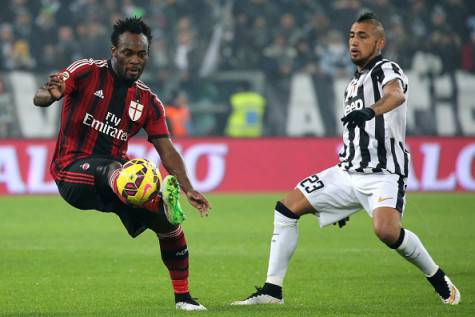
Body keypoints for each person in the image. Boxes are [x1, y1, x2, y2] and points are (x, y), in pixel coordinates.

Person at [232, 12, 461, 306]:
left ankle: (438, 278)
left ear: (380, 42)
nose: (354, 42)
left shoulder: (386, 69)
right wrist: (340, 202)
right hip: (347, 172)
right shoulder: (353, 82)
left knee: (386, 232)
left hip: (383, 173)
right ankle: (272, 291)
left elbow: (397, 95)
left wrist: (371, 111)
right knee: (286, 209)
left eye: (362, 36)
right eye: (352, 36)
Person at [33, 17, 211, 311]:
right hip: (73, 172)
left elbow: (166, 149)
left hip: (119, 183)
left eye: (141, 54)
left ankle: (184, 298)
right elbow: (44, 94)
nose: (135, 60)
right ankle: (138, 183)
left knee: (168, 223)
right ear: (113, 51)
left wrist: (188, 187)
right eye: (128, 52)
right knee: (120, 170)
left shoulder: (147, 101)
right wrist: (48, 96)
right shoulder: (86, 71)